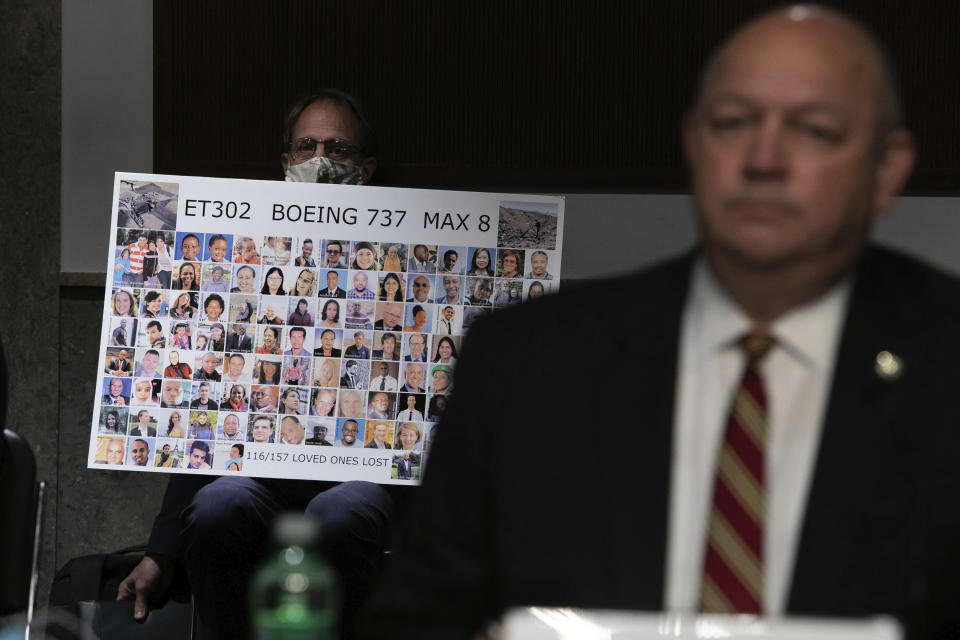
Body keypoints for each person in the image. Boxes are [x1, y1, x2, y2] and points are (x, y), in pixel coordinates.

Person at [362, 8, 960, 640]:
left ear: (887, 168)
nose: (763, 157)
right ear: (694, 144)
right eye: (734, 123)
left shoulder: (944, 358)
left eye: (814, 130)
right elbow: (415, 620)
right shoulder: (529, 363)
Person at [119, 90, 395, 640]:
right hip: (256, 474)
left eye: (337, 148)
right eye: (307, 146)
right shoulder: (247, 256)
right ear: (286, 162)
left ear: (365, 168)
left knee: (345, 509)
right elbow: (203, 400)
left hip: (360, 477)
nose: (321, 157)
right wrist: (161, 550)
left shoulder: (402, 255)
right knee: (221, 500)